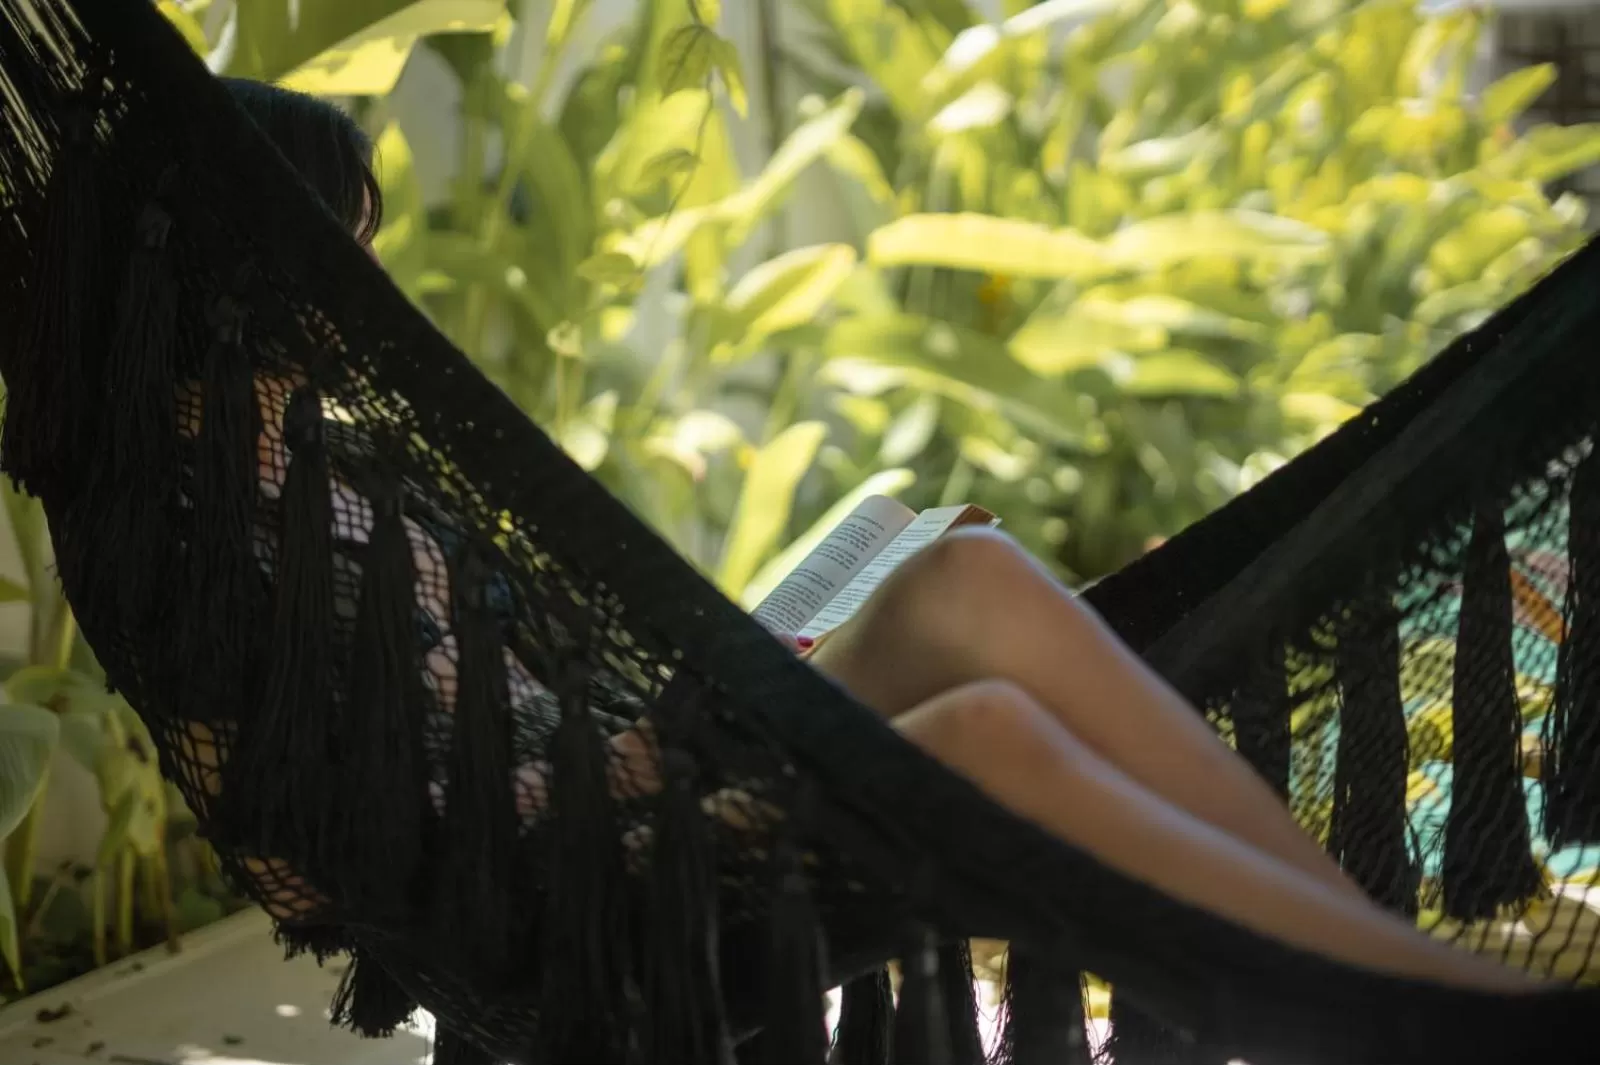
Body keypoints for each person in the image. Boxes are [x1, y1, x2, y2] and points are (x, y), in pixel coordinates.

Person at [192, 80, 1539, 1001]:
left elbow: (505, 702)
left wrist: (668, 708)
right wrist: (623, 761)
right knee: (986, 717)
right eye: (338, 247)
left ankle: (1379, 972)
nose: (365, 286)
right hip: (581, 885)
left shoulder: (344, 468)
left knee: (963, 582)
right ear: (248, 267)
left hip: (642, 773)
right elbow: (317, 863)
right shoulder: (209, 543)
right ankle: (1404, 997)